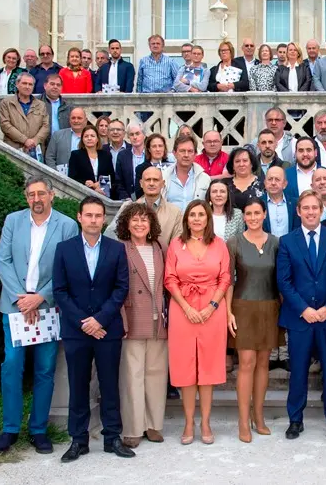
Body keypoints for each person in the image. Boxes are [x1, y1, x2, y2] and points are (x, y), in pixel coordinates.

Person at [0, 177, 78, 455]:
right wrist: (21, 298)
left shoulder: (67, 226)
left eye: (42, 193)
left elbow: (67, 267)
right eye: (31, 195)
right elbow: (2, 260)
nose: (37, 199)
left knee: (44, 369)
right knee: (12, 366)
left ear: (52, 195)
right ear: (26, 197)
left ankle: (39, 429)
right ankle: (10, 428)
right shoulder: (13, 221)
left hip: (48, 307)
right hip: (15, 306)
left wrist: (40, 297)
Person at [53, 197, 134, 461]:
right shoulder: (64, 249)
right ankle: (78, 440)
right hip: (77, 331)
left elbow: (121, 288)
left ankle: (112, 438)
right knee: (78, 385)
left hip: (107, 329)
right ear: (79, 217)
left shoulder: (116, 249)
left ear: (104, 219)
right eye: (88, 215)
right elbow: (60, 291)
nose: (93, 220)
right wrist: (84, 323)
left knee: (110, 385)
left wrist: (99, 320)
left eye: (98, 216)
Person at [276, 190, 326, 440]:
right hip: (300, 318)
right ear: (298, 211)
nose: (311, 212)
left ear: (322, 209)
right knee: (298, 371)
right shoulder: (287, 241)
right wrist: (304, 309)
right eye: (306, 208)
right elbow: (284, 282)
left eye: (315, 207)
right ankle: (295, 419)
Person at [165, 200, 232, 445]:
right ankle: (188, 422)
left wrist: (212, 306)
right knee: (185, 368)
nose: (196, 219)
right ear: (186, 219)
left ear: (208, 218)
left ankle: (205, 422)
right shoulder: (176, 244)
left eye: (201, 215)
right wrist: (186, 307)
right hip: (182, 308)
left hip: (212, 309)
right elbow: (170, 279)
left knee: (208, 367)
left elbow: (225, 278)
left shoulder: (219, 244)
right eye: (192, 215)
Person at [114, 202, 168, 448]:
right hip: (133, 318)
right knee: (132, 376)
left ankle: (153, 425)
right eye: (134, 220)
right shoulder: (120, 248)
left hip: (159, 320)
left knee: (156, 375)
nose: (139, 224)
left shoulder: (159, 247)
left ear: (151, 225)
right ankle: (133, 428)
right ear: (126, 223)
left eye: (144, 220)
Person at [227, 198, 281, 442]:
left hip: (269, 306)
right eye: (248, 213)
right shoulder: (234, 242)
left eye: (257, 213)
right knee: (246, 363)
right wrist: (227, 311)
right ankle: (242, 420)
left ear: (264, 214)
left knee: (263, 364)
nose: (253, 217)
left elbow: (281, 279)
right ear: (244, 216)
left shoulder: (276, 243)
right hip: (243, 307)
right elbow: (227, 281)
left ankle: (259, 417)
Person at [106, 165, 184, 247]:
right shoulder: (128, 209)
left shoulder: (175, 213)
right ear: (141, 183)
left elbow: (177, 247)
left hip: (163, 258)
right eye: (147, 180)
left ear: (163, 184)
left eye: (155, 180)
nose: (151, 183)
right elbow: (112, 237)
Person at [0, 72, 49, 155]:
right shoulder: (6, 103)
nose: (27, 87)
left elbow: (45, 126)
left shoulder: (41, 105)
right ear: (17, 84)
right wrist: (25, 140)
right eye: (24, 83)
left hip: (35, 149)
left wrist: (34, 141)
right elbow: (5, 125)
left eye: (30, 84)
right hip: (13, 148)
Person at [162, 134, 212, 212]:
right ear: (174, 153)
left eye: (190, 151)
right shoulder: (163, 177)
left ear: (195, 154)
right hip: (170, 223)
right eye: (182, 151)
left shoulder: (205, 178)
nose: (186, 155)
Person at [68, 124, 116, 199]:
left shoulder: (106, 155)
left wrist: (99, 184)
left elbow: (112, 177)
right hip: (84, 195)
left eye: (92, 136)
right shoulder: (76, 155)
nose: (89, 138)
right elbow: (72, 177)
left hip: (103, 194)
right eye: (86, 136)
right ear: (82, 139)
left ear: (97, 139)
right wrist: (85, 183)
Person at [45, 106, 86, 171]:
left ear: (85, 120)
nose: (76, 121)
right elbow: (49, 157)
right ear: (69, 120)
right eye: (73, 118)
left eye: (79, 118)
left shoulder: (92, 137)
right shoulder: (57, 135)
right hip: (61, 177)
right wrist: (55, 174)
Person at [114, 121, 147, 200]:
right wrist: (126, 197)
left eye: (137, 133)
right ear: (128, 137)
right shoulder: (122, 155)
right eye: (131, 134)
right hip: (128, 201)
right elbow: (118, 181)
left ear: (144, 135)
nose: (135, 137)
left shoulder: (150, 154)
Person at [262, 166, 299, 238]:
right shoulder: (258, 204)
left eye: (277, 179)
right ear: (265, 182)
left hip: (289, 247)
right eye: (270, 179)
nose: (273, 183)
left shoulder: (295, 204)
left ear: (285, 184)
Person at [133, 134, 173, 199]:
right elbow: (138, 193)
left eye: (160, 146)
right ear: (149, 149)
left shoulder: (172, 166)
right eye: (154, 146)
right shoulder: (141, 168)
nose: (158, 149)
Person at [284, 136, 318, 202]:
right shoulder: (285, 175)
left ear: (315, 152)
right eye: (301, 150)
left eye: (308, 150)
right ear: (295, 153)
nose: (305, 154)